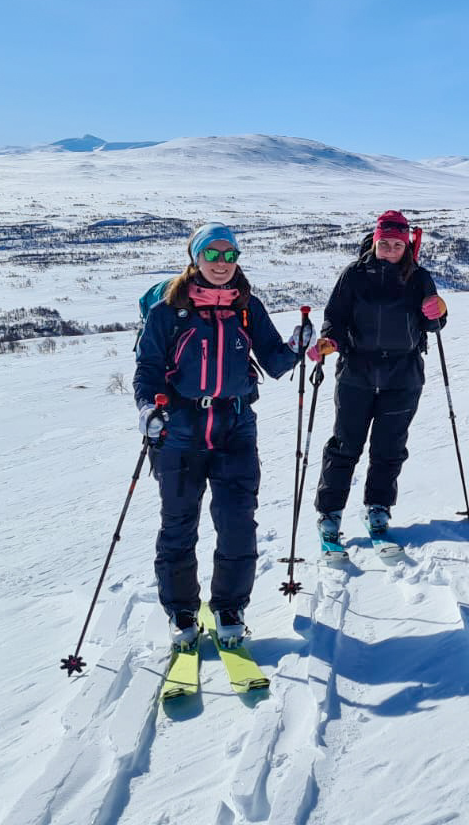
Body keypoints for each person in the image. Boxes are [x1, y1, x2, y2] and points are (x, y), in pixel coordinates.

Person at [135, 223, 308, 647]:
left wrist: (297, 346)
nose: (221, 263)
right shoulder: (167, 312)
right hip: (180, 433)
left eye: (229, 255)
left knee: (237, 524)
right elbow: (148, 370)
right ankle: (181, 612)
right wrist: (147, 410)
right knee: (178, 527)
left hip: (234, 428)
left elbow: (273, 361)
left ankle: (230, 606)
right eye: (211, 254)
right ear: (194, 258)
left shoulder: (247, 308)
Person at [311, 211, 448, 544]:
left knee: (389, 447)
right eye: (384, 243)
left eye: (396, 245)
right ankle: (330, 512)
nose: (389, 250)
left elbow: (432, 325)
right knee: (345, 445)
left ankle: (378, 506)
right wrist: (330, 341)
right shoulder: (354, 275)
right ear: (375, 241)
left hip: (403, 375)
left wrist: (439, 311)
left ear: (406, 246)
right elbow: (335, 319)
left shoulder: (418, 278)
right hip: (356, 373)